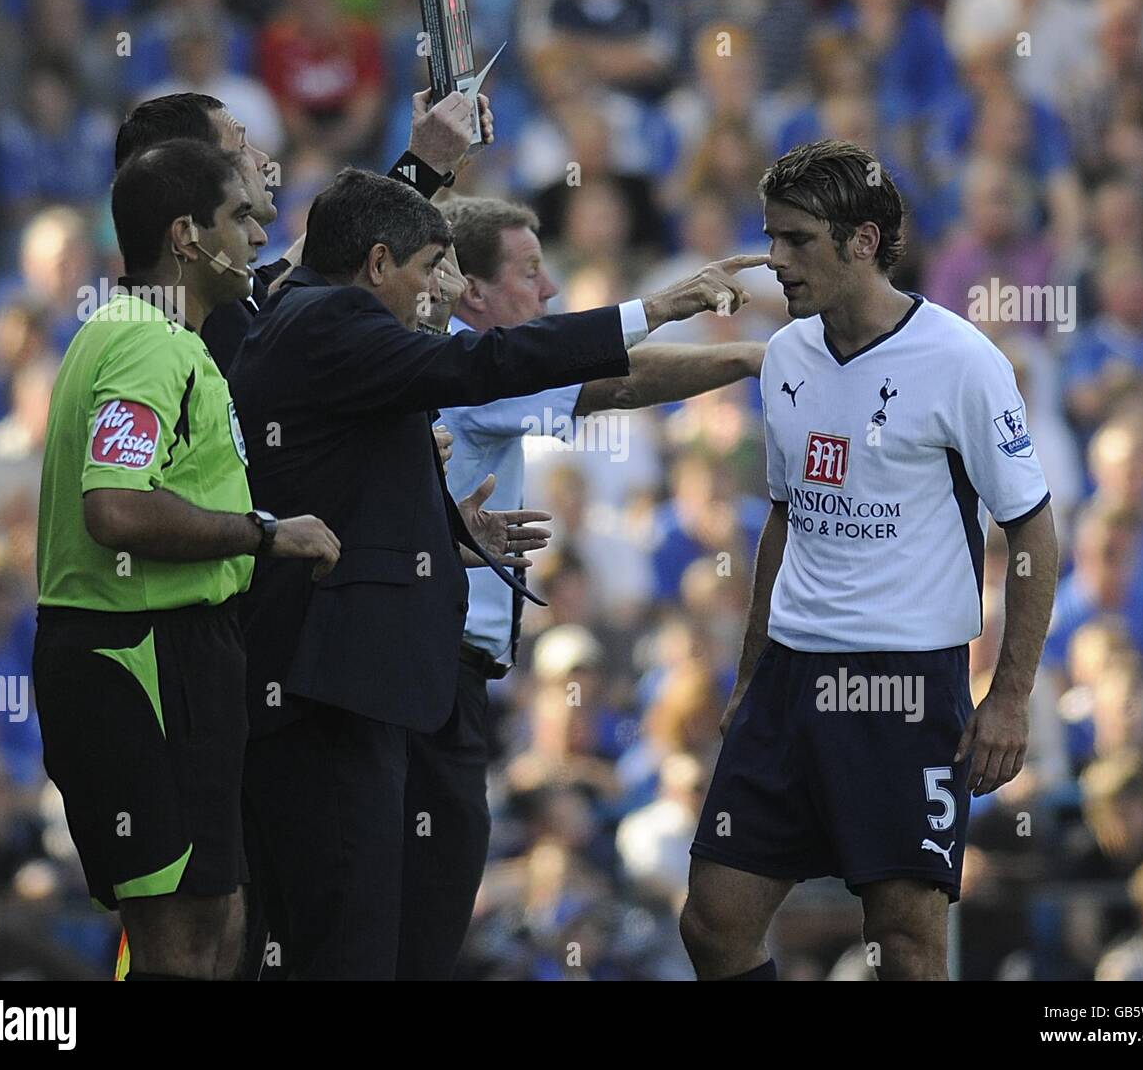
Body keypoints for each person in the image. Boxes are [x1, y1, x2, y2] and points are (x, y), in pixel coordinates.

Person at [228, 168, 757, 979]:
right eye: (425, 268)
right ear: (376, 264)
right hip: (351, 685)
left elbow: (353, 490)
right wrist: (658, 310)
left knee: (362, 933)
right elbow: (508, 367)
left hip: (364, 681)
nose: (430, 294)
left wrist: (444, 535)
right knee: (361, 942)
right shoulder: (335, 322)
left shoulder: (318, 326)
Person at [679, 139, 1059, 982]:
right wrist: (749, 677)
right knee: (713, 923)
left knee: (905, 938)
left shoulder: (962, 362)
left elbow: (1033, 532)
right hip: (790, 677)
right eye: (771, 237)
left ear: (862, 240)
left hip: (904, 680)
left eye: (797, 241)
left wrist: (1012, 695)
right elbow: (785, 520)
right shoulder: (785, 356)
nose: (775, 261)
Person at [414, 195, 764, 977]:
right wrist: (747, 357)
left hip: (445, 668)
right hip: (440, 674)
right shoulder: (477, 364)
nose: (546, 292)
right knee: (430, 899)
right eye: (531, 272)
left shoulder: (443, 357)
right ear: (471, 290)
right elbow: (617, 377)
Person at [31, 139, 339, 980]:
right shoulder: (147, 346)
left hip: (169, 655)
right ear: (186, 237)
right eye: (240, 216)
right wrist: (264, 533)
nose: (259, 230)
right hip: (140, 657)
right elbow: (117, 506)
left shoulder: (144, 335)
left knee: (213, 922)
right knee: (176, 940)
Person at [113, 87, 493, 374]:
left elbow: (323, 253)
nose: (263, 160)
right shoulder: (194, 325)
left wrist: (426, 162)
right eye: (243, 146)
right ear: (191, 170)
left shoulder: (231, 294)